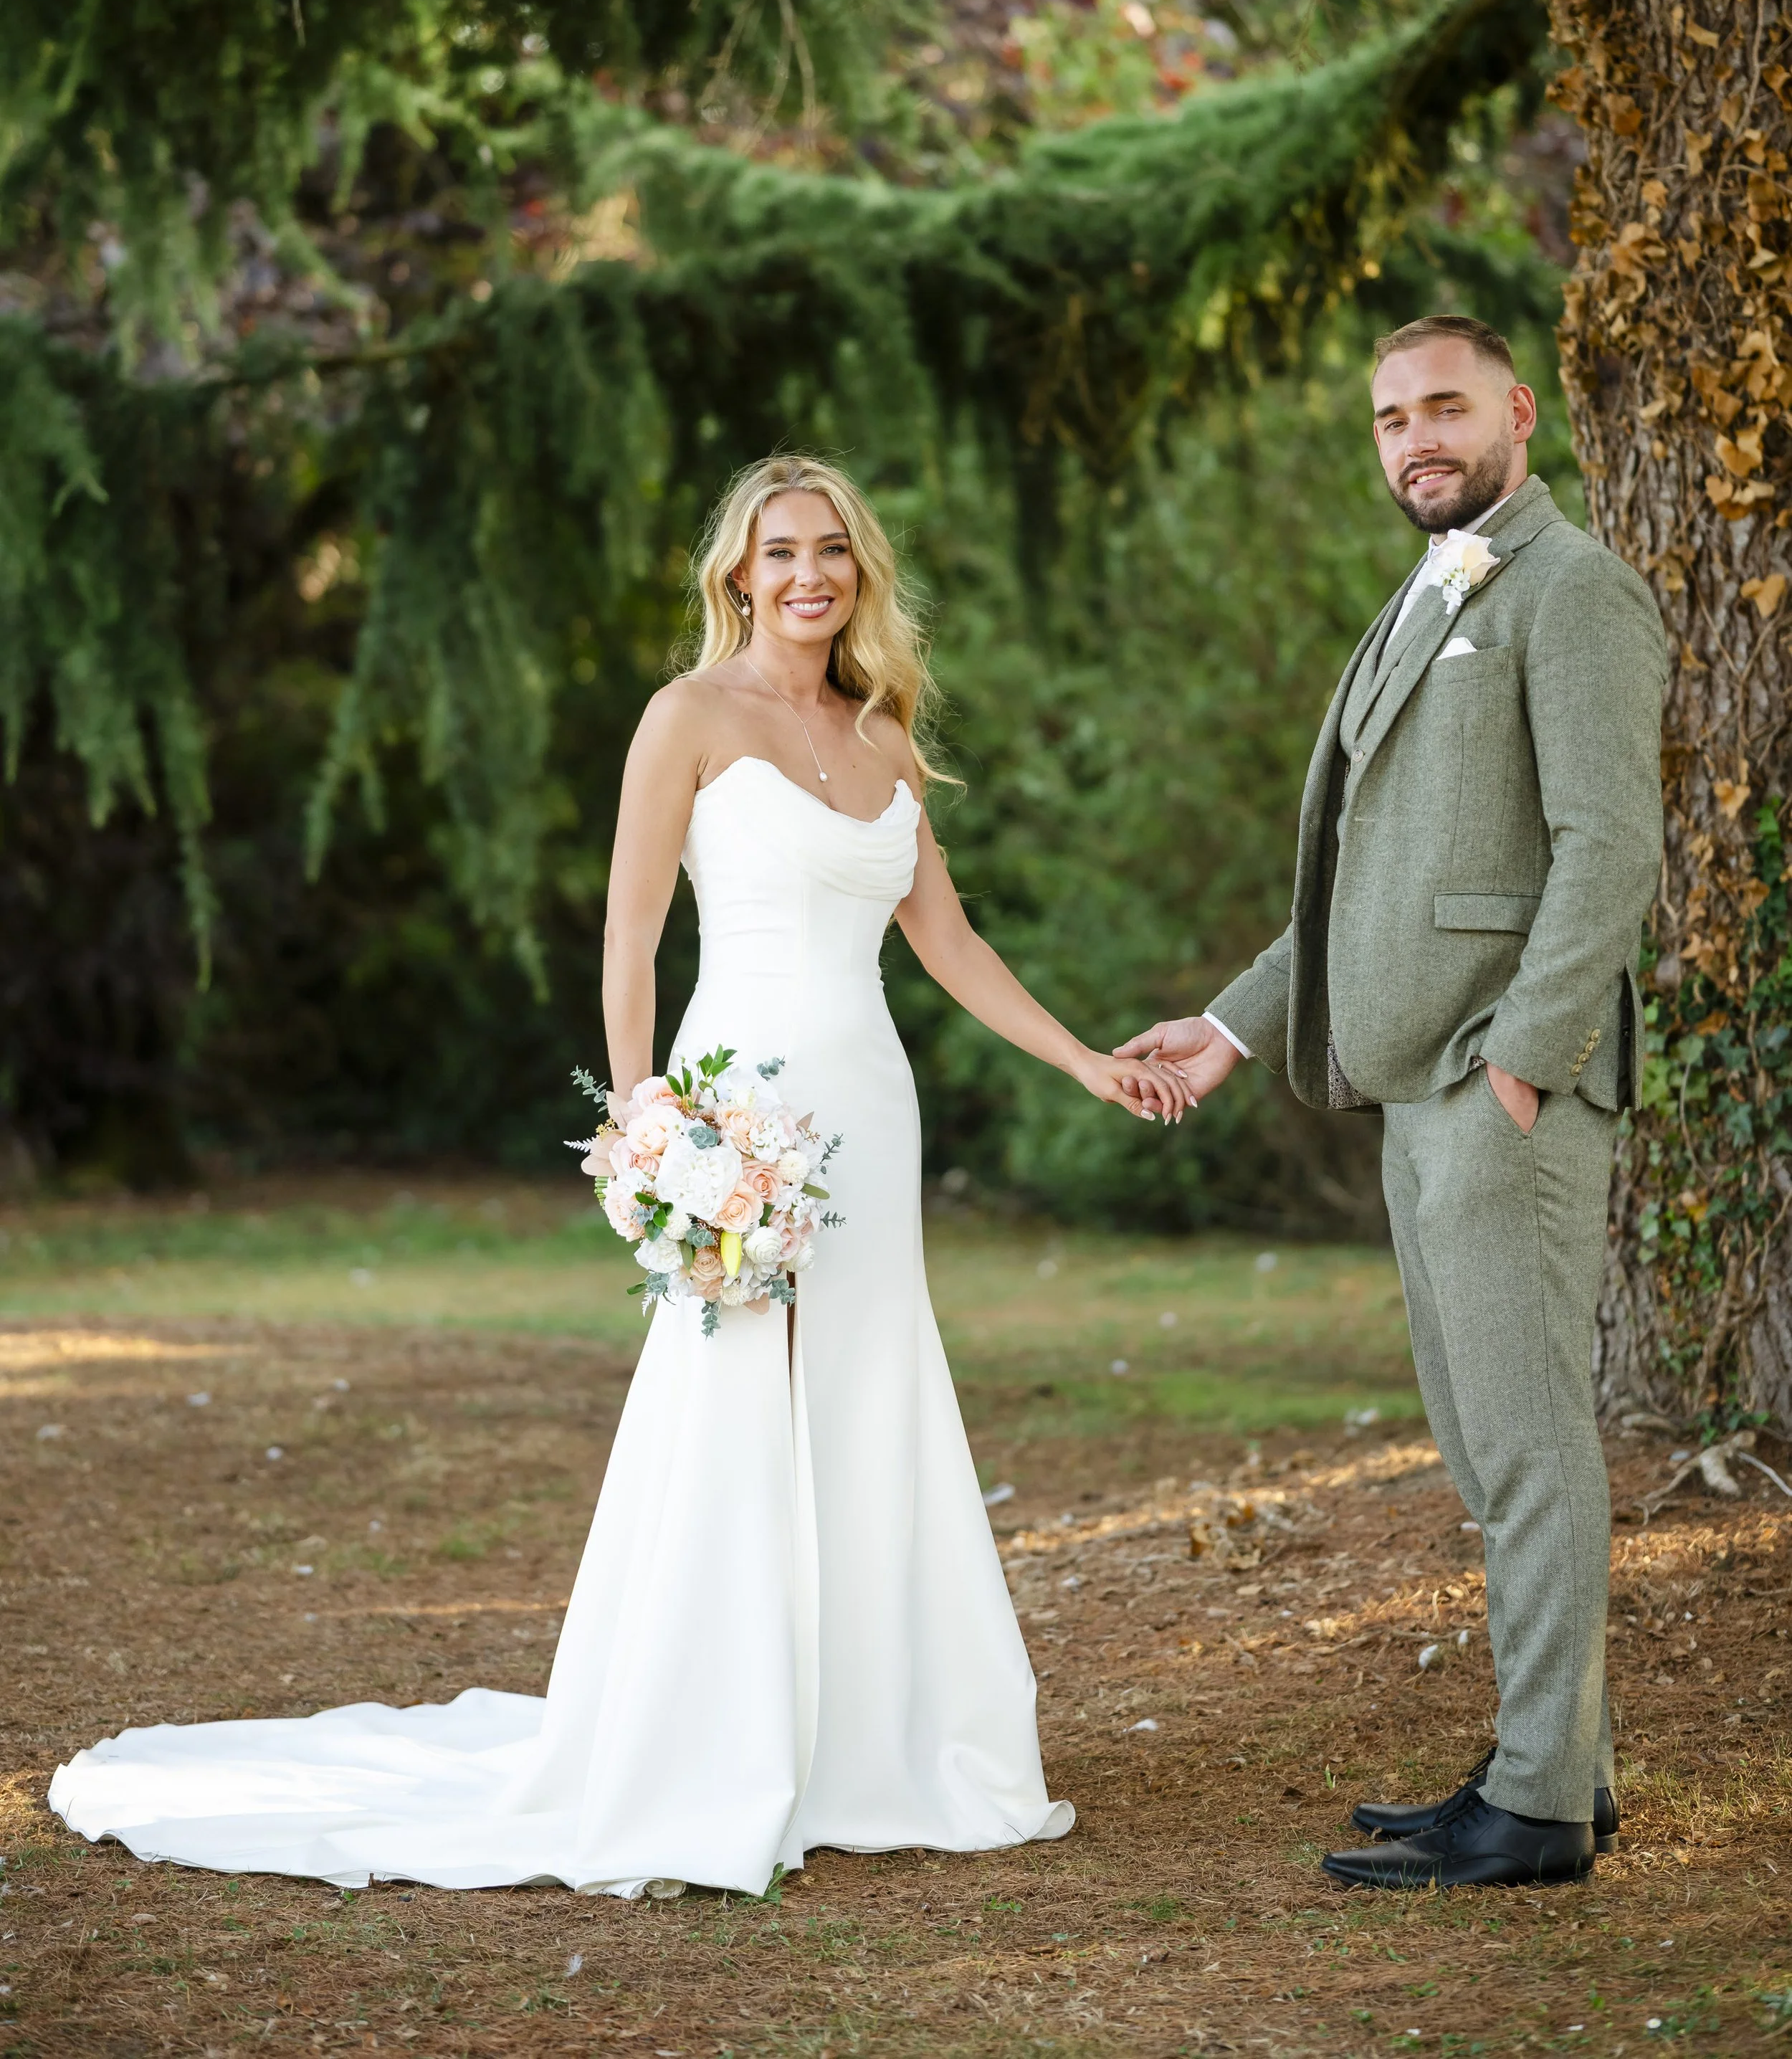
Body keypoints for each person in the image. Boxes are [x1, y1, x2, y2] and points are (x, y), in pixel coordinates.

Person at [50, 452, 1183, 1896]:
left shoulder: (886, 737)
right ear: (737, 573)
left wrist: (1086, 1060)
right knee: (725, 1413)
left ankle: (865, 1750)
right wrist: (649, 1125)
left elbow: (945, 944)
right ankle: (703, 1744)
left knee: (865, 1394)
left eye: (829, 549)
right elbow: (630, 929)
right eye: (777, 551)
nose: (805, 575)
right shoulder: (687, 718)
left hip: (870, 1116)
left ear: (861, 572)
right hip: (739, 1111)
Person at [1120, 316, 1666, 1893]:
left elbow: (1606, 849)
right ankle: (1547, 1765)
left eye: (1440, 408)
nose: (1412, 438)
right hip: (1416, 1094)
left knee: (1525, 1443)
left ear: (1515, 412)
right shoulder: (1426, 591)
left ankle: (1542, 1807)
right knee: (1484, 1446)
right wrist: (1230, 1029)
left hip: (1500, 1091)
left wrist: (1519, 1063)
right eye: (1385, 419)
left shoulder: (1570, 594)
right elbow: (1366, 887)